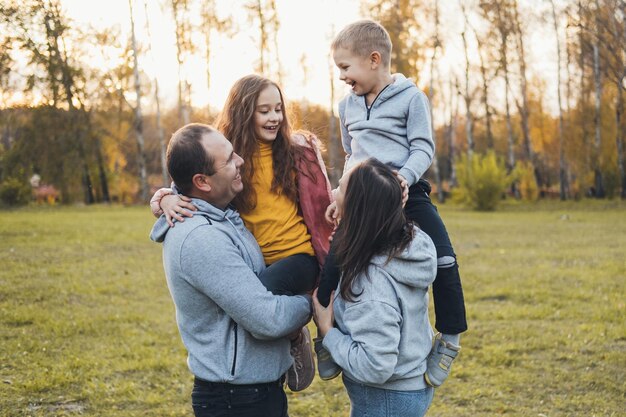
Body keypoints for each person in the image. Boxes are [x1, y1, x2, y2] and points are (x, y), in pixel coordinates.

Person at [150, 75, 334, 392]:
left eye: (278, 109)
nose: (274, 117)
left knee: (262, 304)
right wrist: (164, 198)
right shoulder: (228, 156)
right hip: (257, 258)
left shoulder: (294, 152)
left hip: (297, 256)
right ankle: (285, 345)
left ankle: (305, 335)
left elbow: (321, 198)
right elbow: (189, 179)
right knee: (251, 307)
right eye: (264, 111)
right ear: (243, 112)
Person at [315, 19, 467, 387]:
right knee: (334, 256)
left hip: (405, 191)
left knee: (444, 257)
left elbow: (422, 147)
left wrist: (405, 177)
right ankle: (326, 336)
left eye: (345, 68)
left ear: (373, 59)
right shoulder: (345, 106)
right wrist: (341, 194)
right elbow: (352, 154)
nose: (342, 77)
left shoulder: (412, 98)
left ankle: (448, 339)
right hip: (363, 198)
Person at [149, 123, 312, 417]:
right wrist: (312, 302)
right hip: (236, 401)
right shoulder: (201, 237)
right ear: (202, 182)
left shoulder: (221, 215)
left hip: (252, 393)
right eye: (228, 160)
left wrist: (165, 196)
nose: (240, 161)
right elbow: (267, 319)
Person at [312, 158, 438, 417]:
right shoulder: (408, 242)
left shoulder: (370, 284)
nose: (333, 193)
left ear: (356, 210)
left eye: (340, 188)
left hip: (386, 399)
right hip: (406, 389)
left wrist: (328, 332)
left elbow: (376, 366)